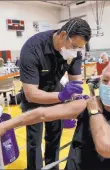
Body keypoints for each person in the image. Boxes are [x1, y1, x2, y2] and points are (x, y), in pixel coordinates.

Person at [0, 58, 110, 170]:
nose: (107, 86)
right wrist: (3, 126)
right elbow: (42, 114)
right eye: (104, 80)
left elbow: (108, 146)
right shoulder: (88, 104)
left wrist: (94, 111)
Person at [17, 17, 91, 170]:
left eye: (80, 48)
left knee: (54, 139)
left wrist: (78, 96)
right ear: (63, 35)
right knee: (34, 142)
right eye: (75, 46)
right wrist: (62, 96)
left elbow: (75, 81)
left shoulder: (74, 51)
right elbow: (31, 93)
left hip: (57, 94)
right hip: (34, 99)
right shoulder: (32, 49)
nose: (76, 51)